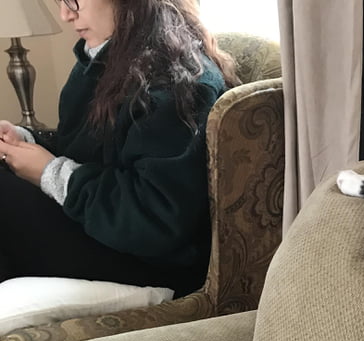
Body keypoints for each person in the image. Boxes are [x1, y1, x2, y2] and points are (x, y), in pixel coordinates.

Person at [0, 0, 238, 297]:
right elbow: (86, 150)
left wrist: (50, 172)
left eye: (74, 0)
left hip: (149, 262)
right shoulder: (103, 62)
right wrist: (24, 143)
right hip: (106, 233)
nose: (65, 14)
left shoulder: (179, 82)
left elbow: (154, 220)